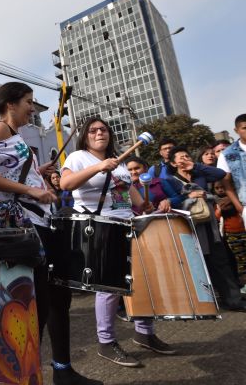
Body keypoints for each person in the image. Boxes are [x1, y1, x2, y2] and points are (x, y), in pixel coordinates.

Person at [0, 82, 100, 385]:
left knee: (58, 297)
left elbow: (6, 170)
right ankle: (29, 373)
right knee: (37, 302)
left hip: (42, 222)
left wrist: (34, 173)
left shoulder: (14, 135)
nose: (32, 107)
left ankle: (62, 369)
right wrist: (28, 188)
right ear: (10, 103)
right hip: (26, 225)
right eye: (28, 102)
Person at [60, 117, 174, 368]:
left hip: (128, 223)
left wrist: (146, 204)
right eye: (93, 130)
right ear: (85, 136)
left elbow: (130, 196)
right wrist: (98, 168)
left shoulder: (120, 161)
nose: (99, 133)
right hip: (100, 225)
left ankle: (144, 332)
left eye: (103, 129)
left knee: (142, 280)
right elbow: (65, 184)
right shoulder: (78, 157)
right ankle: (106, 342)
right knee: (109, 286)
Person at [166, 146, 246, 312]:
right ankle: (205, 304)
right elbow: (168, 201)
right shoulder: (169, 180)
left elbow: (220, 175)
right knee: (197, 266)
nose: (184, 159)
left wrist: (194, 166)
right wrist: (188, 196)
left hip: (209, 226)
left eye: (186, 155)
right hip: (188, 228)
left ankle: (233, 300)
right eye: (180, 157)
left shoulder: (200, 173)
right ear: (173, 163)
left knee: (221, 263)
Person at [217, 113, 246, 293]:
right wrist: (238, 206)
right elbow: (225, 181)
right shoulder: (229, 153)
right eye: (244, 127)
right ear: (237, 130)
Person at [214, 182, 246, 291]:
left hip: (243, 231)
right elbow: (217, 217)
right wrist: (219, 210)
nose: (220, 190)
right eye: (217, 188)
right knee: (239, 260)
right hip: (231, 235)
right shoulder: (216, 202)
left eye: (222, 187)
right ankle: (243, 284)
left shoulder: (238, 199)